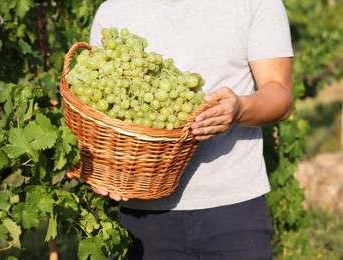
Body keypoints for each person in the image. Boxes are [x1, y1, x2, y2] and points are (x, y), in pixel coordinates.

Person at [67, 0, 294, 259]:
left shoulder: (255, 3)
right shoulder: (115, 10)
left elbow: (280, 95)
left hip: (233, 208)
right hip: (143, 211)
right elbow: (99, 109)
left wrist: (238, 109)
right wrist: (100, 165)